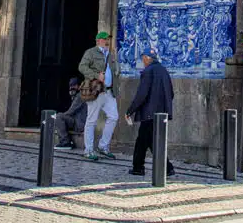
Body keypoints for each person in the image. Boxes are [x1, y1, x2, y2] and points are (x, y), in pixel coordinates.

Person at [126, 48, 175, 177]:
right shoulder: (163, 71)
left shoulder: (148, 72)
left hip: (149, 113)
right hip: (161, 114)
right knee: (152, 142)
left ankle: (139, 168)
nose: (143, 61)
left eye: (143, 58)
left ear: (148, 58)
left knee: (143, 141)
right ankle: (166, 168)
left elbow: (142, 94)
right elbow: (171, 93)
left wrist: (130, 110)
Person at [78, 31, 120, 161]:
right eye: (104, 39)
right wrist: (96, 76)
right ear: (98, 41)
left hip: (109, 91)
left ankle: (103, 146)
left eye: (108, 39)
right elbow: (82, 67)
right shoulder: (91, 53)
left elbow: (114, 71)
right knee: (91, 120)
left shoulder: (111, 55)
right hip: (96, 91)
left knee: (114, 117)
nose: (107, 41)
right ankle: (88, 150)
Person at [53, 78, 88, 149]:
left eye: (74, 85)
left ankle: (65, 142)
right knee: (59, 118)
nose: (71, 88)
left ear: (79, 86)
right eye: (70, 86)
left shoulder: (80, 96)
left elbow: (71, 111)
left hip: (79, 124)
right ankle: (68, 140)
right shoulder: (76, 96)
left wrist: (56, 118)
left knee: (59, 117)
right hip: (76, 122)